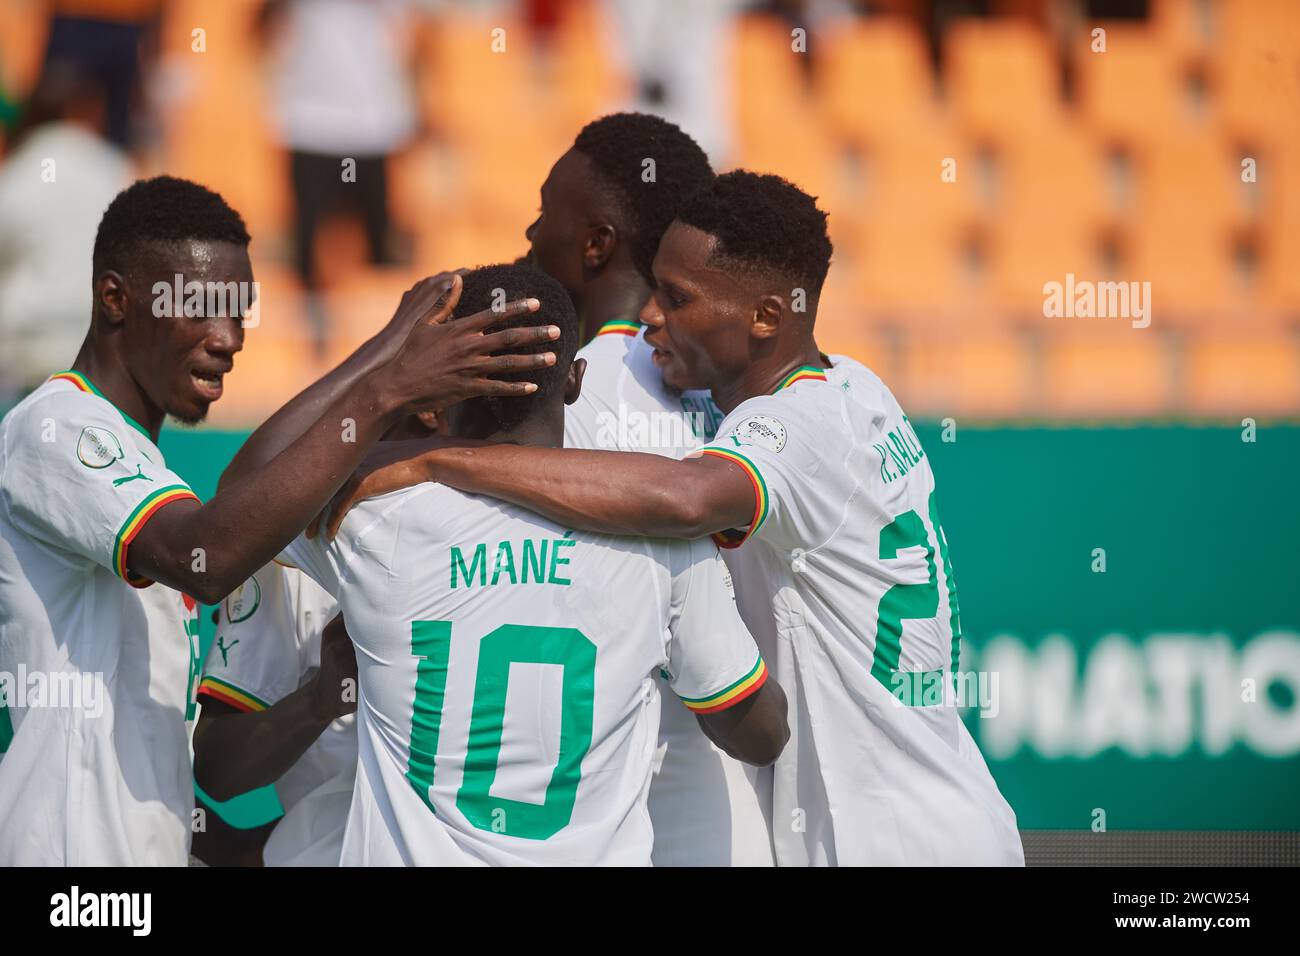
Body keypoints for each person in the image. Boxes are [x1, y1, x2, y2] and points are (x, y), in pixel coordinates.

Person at [328, 172, 1024, 866]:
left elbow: (685, 499)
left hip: (887, 839)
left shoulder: (797, 424)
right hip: (946, 808)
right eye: (655, 286)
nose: (650, 316)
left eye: (678, 298)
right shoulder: (857, 386)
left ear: (765, 319)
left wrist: (451, 460)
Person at [0, 175, 557, 865]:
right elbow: (205, 555)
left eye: (241, 314)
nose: (229, 339)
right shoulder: (58, 428)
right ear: (115, 298)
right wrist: (389, 381)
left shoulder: (144, 470)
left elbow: (152, 752)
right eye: (202, 309)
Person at [283, 263, 788, 865]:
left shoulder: (368, 515)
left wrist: (390, 376)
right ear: (574, 381)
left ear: (440, 388)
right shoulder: (664, 538)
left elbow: (244, 502)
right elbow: (759, 736)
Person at [525, 112, 768, 865]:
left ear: (596, 243)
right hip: (741, 806)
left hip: (633, 814)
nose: (528, 233)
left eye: (544, 213)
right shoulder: (748, 397)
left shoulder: (561, 403)